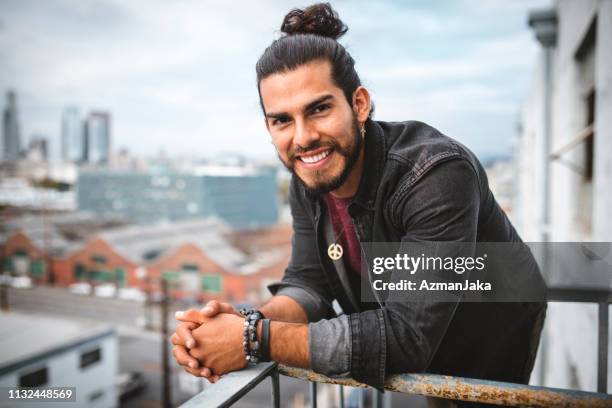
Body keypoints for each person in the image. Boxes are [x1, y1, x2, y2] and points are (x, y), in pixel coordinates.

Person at [170, 3, 547, 406]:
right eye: (283, 120)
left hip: (487, 344)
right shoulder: (309, 177)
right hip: (417, 357)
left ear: (360, 104)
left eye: (319, 109)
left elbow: (407, 335)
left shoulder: (436, 175)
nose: (303, 137)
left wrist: (252, 339)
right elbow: (308, 285)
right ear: (269, 127)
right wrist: (241, 324)